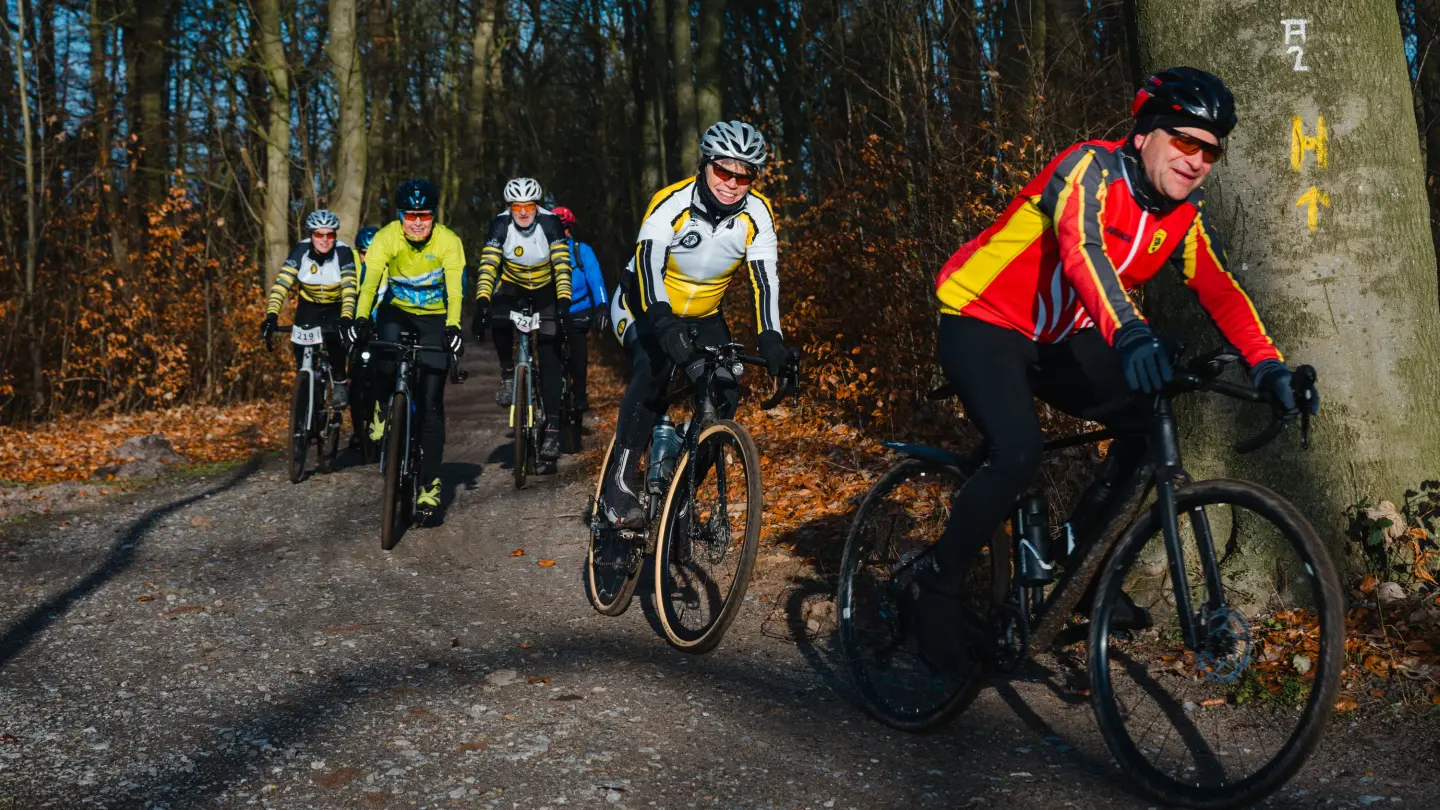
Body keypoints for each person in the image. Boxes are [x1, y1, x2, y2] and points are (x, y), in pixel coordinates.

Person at [920, 67, 1321, 674]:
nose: (1197, 160)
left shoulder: (1181, 219)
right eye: (1186, 141)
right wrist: (1130, 331)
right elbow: (1083, 250)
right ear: (1145, 135)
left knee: (1145, 426)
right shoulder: (1089, 170)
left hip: (1061, 336)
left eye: (1211, 150)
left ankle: (1076, 567)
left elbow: (1221, 291)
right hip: (983, 317)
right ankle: (938, 586)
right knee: (1018, 449)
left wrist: (1269, 369)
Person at [599, 120, 791, 527]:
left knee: (725, 391)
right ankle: (619, 484)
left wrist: (771, 339)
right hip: (642, 304)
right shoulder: (670, 202)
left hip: (703, 314)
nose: (732, 183)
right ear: (705, 165)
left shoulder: (757, 214)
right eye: (724, 170)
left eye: (745, 175)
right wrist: (663, 324)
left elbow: (764, 282)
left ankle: (682, 490)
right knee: (653, 368)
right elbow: (648, 266)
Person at [347, 179, 466, 513]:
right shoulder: (387, 237)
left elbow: (455, 290)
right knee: (379, 359)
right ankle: (383, 408)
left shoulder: (449, 241)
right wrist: (360, 317)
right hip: (396, 313)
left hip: (435, 317)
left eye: (424, 216)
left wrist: (454, 326)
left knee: (430, 404)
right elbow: (369, 283)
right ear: (400, 215)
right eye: (410, 215)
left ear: (433, 216)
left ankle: (429, 483)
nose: (417, 222)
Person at [472, 178, 574, 462]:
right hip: (513, 287)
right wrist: (481, 301)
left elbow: (562, 266)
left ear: (537, 206)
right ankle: (507, 373)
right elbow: (489, 265)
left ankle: (552, 429)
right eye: (517, 206)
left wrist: (564, 302)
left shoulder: (551, 224)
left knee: (550, 351)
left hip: (546, 289)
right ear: (509, 208)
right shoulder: (500, 225)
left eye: (529, 206)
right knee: (499, 317)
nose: (523, 212)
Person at [261, 210, 357, 409]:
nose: (324, 240)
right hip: (309, 307)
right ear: (311, 235)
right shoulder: (301, 251)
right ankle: (306, 386)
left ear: (335, 236)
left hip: (336, 306)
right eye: (319, 235)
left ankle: (339, 382)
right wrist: (271, 316)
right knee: (301, 350)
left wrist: (347, 317)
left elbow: (349, 290)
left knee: (335, 341)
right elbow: (281, 284)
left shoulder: (344, 252)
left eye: (329, 235)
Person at [551, 205, 608, 415]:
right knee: (549, 351)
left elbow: (596, 278)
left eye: (565, 227)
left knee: (578, 353)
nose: (562, 232)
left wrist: (602, 306)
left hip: (579, 308)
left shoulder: (581, 250)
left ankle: (580, 394)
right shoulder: (543, 252)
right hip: (553, 310)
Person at [347, 224, 382, 449]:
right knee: (355, 381)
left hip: (380, 326)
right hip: (359, 328)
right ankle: (358, 430)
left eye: (371, 253)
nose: (366, 258)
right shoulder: (351, 265)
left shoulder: (387, 265)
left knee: (383, 374)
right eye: (362, 253)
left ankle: (383, 416)